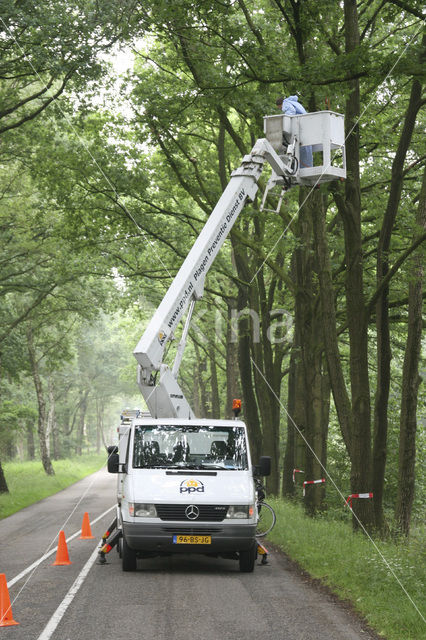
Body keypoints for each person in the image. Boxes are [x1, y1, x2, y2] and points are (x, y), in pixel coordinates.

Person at [275, 95, 313, 168]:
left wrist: (285, 123)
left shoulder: (286, 104)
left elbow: (291, 111)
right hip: (305, 122)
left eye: (279, 107)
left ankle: (302, 166)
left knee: (301, 148)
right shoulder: (292, 102)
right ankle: (305, 165)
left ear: (279, 105)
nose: (280, 109)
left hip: (300, 123)